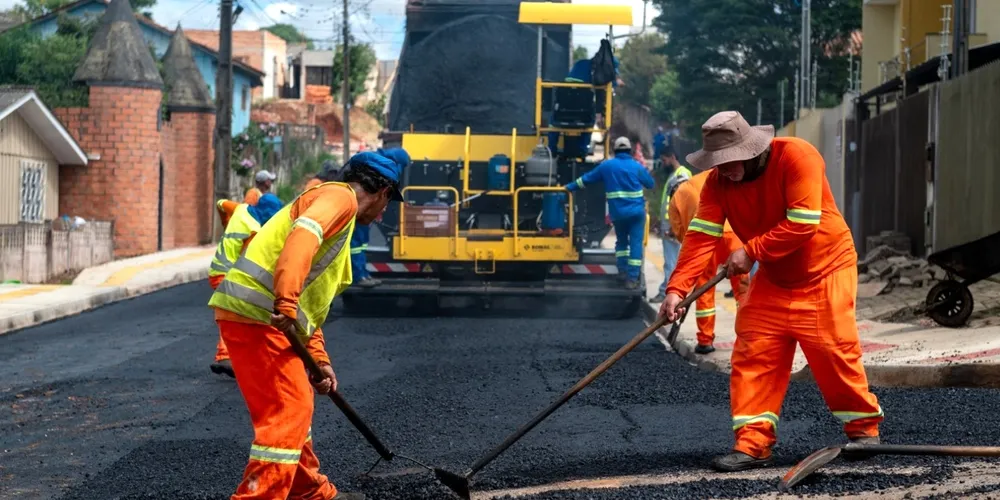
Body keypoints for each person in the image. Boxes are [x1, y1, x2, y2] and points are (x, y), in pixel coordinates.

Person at [658, 111, 883, 472]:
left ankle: (863, 430)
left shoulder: (798, 156)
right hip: (776, 277)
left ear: (751, 150)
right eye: (716, 163)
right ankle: (752, 443)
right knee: (753, 352)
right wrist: (676, 289)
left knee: (832, 350)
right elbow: (701, 235)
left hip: (825, 270)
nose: (722, 170)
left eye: (728, 162)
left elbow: (802, 223)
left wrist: (750, 251)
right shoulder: (718, 182)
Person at [207, 151, 403, 500]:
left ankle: (309, 493)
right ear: (383, 191)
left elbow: (308, 311)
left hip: (263, 317)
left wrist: (319, 360)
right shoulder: (340, 197)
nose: (384, 212)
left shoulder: (337, 220)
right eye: (388, 203)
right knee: (289, 411)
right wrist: (284, 298)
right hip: (260, 314)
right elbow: (303, 236)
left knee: (296, 414)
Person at [667, 170, 750, 354]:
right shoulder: (712, 176)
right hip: (733, 233)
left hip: (706, 242)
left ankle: (705, 340)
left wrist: (693, 263)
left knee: (704, 288)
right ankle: (748, 339)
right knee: (742, 289)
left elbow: (682, 234)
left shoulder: (676, 199)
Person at [208, 193, 284, 378]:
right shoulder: (255, 230)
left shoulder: (240, 209)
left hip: (217, 271)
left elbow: (220, 203)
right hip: (230, 275)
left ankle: (227, 356)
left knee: (232, 314)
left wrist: (226, 223)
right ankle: (229, 356)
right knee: (241, 315)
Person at [565, 136, 654, 290]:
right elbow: (650, 184)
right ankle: (632, 279)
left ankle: (621, 272)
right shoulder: (636, 166)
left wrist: (568, 188)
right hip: (636, 214)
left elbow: (586, 180)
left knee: (621, 243)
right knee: (635, 244)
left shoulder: (607, 166)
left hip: (619, 214)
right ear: (630, 151)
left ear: (615, 150)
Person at [351, 147, 410, 288]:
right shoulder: (376, 167)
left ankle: (363, 274)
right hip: (357, 210)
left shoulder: (375, 162)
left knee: (362, 244)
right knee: (356, 245)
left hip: (361, 209)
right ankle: (358, 277)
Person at [650, 147, 693, 303]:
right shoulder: (675, 175)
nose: (663, 163)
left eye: (664, 160)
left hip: (673, 227)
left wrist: (675, 228)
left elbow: (683, 203)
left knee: (671, 262)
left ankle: (667, 293)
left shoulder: (681, 176)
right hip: (670, 225)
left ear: (673, 157)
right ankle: (668, 290)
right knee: (672, 261)